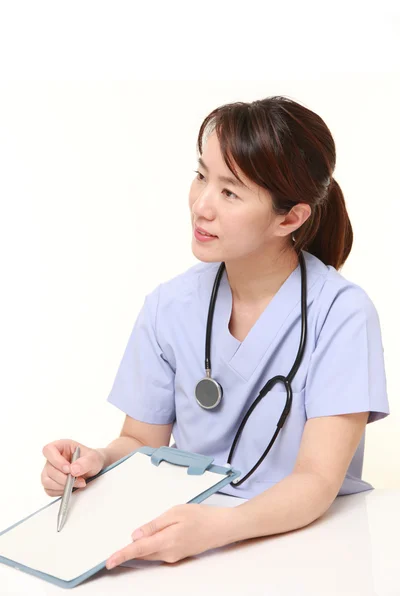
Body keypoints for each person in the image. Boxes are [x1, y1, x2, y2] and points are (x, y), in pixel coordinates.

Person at [40, 95, 389, 569]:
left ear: (290, 218)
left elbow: (316, 481)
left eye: (230, 192)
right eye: (202, 175)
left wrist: (217, 530)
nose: (201, 205)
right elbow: (143, 443)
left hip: (307, 547)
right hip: (183, 538)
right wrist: (95, 460)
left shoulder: (342, 314)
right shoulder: (170, 306)